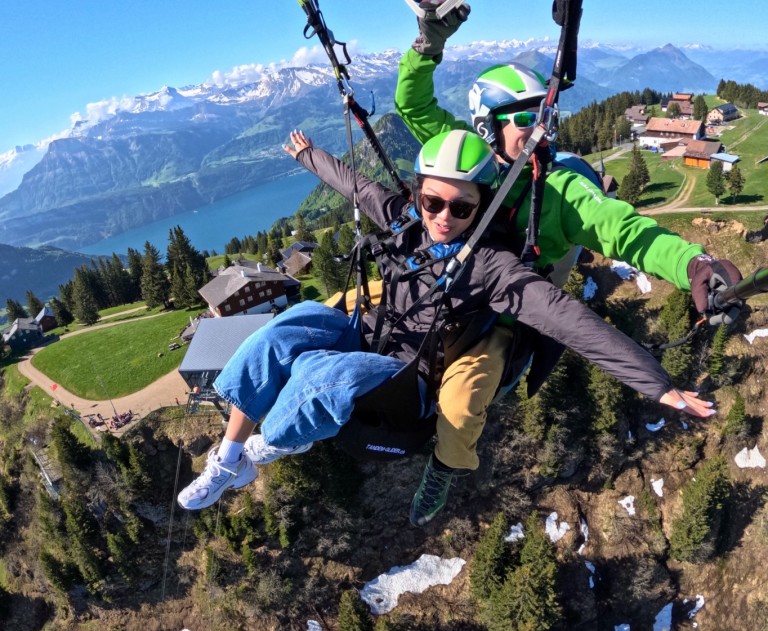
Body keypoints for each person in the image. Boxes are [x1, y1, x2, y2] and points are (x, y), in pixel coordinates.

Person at [176, 129, 715, 513]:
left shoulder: (493, 267)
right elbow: (358, 187)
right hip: (375, 333)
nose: (442, 217)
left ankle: (265, 448)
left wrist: (659, 386)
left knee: (325, 378)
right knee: (288, 326)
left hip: (408, 373)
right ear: (417, 194)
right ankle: (228, 459)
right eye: (433, 200)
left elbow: (568, 320)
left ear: (480, 209)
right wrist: (309, 155)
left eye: (461, 208)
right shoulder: (406, 221)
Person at [389, 4, 744, 525]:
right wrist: (427, 46)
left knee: (462, 409)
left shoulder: (558, 189)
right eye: (529, 118)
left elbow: (625, 231)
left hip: (502, 312)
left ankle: (442, 469)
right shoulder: (466, 157)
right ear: (488, 129)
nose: (544, 129)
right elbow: (412, 104)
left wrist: (693, 264)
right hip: (444, 284)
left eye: (548, 115)